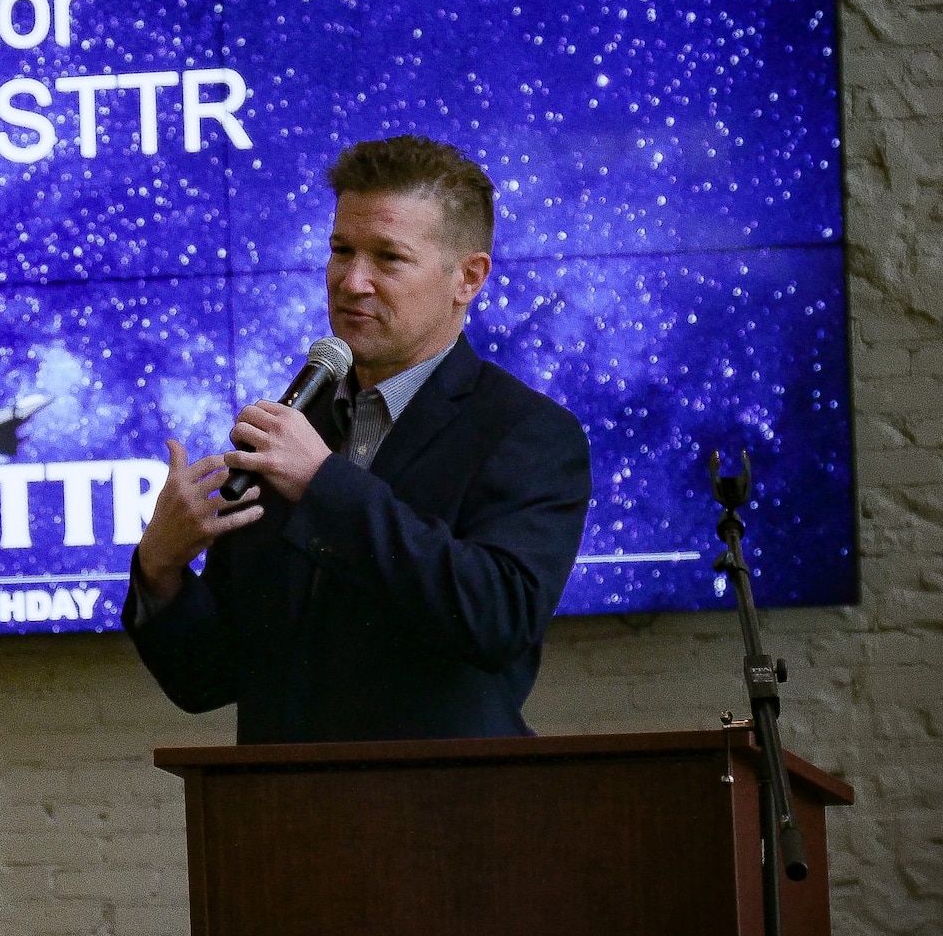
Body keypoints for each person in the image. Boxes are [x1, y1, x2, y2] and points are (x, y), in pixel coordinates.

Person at [124, 136, 592, 743]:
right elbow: (208, 680)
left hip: (446, 815)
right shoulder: (290, 431)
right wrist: (161, 568)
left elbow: (495, 618)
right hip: (281, 818)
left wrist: (324, 485)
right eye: (341, 250)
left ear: (468, 278)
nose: (351, 282)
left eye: (388, 258)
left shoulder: (527, 433)